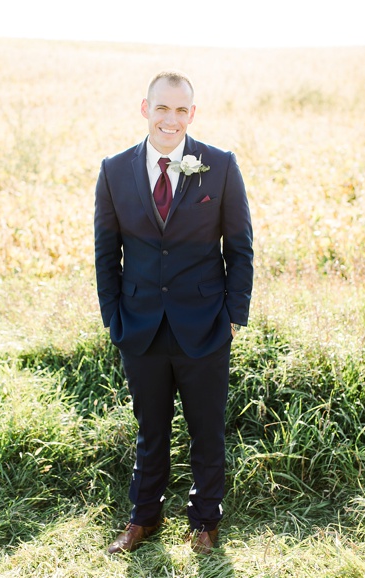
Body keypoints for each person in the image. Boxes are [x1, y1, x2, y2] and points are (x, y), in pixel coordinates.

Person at [94, 70, 253, 555]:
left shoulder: (219, 165)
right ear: (145, 109)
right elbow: (106, 252)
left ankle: (205, 522)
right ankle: (144, 519)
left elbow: (240, 247)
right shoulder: (115, 170)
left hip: (205, 325)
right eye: (162, 108)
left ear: (192, 114)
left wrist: (233, 314)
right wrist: (113, 320)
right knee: (150, 430)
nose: (171, 118)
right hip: (139, 327)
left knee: (208, 431)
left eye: (181, 109)